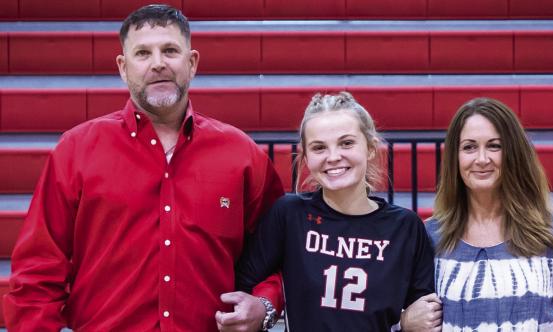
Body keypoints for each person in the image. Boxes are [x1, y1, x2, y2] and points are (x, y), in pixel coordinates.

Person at [3, 4, 284, 331]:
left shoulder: (242, 154)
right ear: (123, 67)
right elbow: (37, 273)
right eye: (143, 53)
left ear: (192, 63)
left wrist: (264, 304)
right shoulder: (76, 150)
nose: (158, 64)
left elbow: (279, 254)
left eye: (169, 50)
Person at [216, 92, 435, 331]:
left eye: (347, 143)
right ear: (305, 157)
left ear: (371, 148)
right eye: (319, 148)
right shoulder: (289, 215)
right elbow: (243, 286)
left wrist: (405, 324)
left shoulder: (406, 227)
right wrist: (264, 306)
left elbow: (425, 316)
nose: (333, 157)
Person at [401, 97, 553, 331]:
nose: (482, 159)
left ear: (513, 154)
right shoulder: (429, 236)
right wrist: (405, 322)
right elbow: (387, 317)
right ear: (454, 159)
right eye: (469, 147)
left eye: (494, 146)